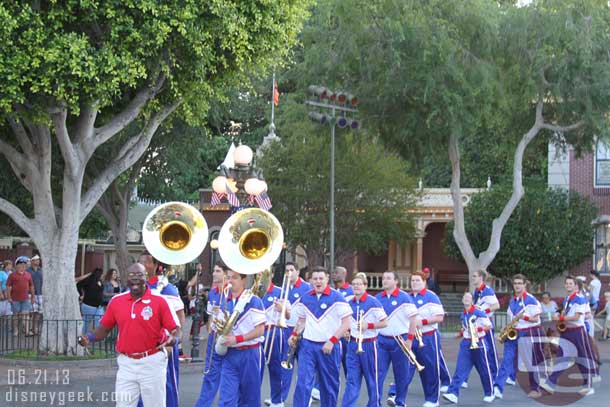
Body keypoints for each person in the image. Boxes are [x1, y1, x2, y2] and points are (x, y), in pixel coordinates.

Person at [78, 263, 179, 407]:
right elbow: (104, 329)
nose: (136, 279)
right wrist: (89, 337)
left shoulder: (160, 301)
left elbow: (176, 329)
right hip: (126, 363)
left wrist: (173, 339)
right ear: (126, 278)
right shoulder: (116, 301)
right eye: (132, 275)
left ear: (146, 277)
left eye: (140, 275)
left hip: (152, 362)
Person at [290, 266, 351, 407]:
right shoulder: (305, 298)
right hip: (308, 346)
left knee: (329, 385)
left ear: (327, 279)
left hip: (329, 346)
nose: (318, 281)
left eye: (321, 278)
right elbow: (301, 320)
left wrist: (332, 341)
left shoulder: (337, 297)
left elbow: (346, 323)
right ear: (311, 280)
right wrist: (294, 334)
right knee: (303, 383)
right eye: (315, 279)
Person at [138, 252, 185, 407]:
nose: (142, 265)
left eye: (146, 262)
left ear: (156, 267)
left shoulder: (167, 289)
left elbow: (180, 317)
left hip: (163, 346)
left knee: (166, 386)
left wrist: (174, 340)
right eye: (139, 262)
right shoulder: (134, 288)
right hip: (140, 345)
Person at [263, 262, 312, 407]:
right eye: (287, 270)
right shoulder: (282, 288)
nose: (289, 273)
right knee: (285, 365)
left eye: (292, 270)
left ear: (297, 272)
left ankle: (306, 397)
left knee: (304, 368)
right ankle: (280, 399)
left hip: (304, 331)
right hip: (287, 331)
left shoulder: (307, 288)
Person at [216, 267, 266, 407]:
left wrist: (237, 339)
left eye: (235, 277)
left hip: (250, 353)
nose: (230, 281)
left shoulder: (254, 301)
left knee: (250, 399)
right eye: (229, 277)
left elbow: (260, 330)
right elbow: (218, 329)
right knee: (226, 399)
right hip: (230, 355)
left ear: (244, 280)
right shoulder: (224, 301)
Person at [540, 275, 597, 396]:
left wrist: (560, 317)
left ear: (576, 285)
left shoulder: (580, 298)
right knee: (562, 357)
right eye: (567, 283)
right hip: (567, 331)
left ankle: (589, 385)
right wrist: (559, 315)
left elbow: (576, 317)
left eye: (571, 283)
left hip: (577, 331)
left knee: (582, 357)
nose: (568, 285)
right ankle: (551, 383)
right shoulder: (567, 299)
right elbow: (567, 314)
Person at [494, 274, 545, 399]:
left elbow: (536, 319)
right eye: (515, 283)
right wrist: (505, 328)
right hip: (514, 332)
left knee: (529, 361)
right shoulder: (512, 301)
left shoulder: (531, 300)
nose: (517, 285)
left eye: (519, 283)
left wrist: (524, 317)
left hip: (527, 332)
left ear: (524, 284)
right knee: (506, 360)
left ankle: (536, 388)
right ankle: (497, 388)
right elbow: (512, 319)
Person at [342, 272, 388, 407]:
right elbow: (344, 321)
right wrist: (346, 330)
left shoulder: (373, 301)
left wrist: (368, 325)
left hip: (369, 345)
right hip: (352, 344)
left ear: (365, 286)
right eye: (354, 284)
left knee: (372, 380)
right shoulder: (347, 302)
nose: (356, 287)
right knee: (351, 380)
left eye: (359, 284)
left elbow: (384, 322)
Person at [442, 292, 495, 404]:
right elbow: (465, 328)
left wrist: (478, 330)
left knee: (484, 370)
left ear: (472, 301)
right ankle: (453, 393)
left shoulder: (478, 312)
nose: (466, 299)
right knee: (460, 369)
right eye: (464, 297)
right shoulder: (463, 314)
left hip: (479, 343)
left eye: (469, 297)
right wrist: (460, 334)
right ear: (462, 300)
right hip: (466, 343)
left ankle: (489, 393)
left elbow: (489, 325)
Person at [375, 271, 418, 407]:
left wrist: (410, 339)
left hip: (400, 340)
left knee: (401, 373)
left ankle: (400, 402)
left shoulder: (404, 298)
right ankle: (375, 402)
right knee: (378, 374)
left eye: (388, 278)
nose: (385, 280)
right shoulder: (377, 298)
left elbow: (413, 320)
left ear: (396, 281)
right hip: (381, 340)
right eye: (383, 278)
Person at [410, 271, 446, 407]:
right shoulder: (407, 297)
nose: (414, 283)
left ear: (424, 282)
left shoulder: (431, 296)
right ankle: (397, 395)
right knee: (404, 367)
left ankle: (432, 399)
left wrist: (423, 322)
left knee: (430, 368)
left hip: (428, 336)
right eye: (412, 281)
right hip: (411, 337)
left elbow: (439, 317)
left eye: (417, 280)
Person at [195, 262, 228, 407]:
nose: (214, 273)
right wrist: (209, 334)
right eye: (214, 270)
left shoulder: (232, 291)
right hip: (214, 337)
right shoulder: (213, 293)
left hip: (228, 338)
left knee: (230, 376)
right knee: (209, 374)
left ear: (226, 274)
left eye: (218, 271)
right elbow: (209, 317)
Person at [459, 270, 500, 389]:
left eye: (475, 276)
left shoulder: (487, 290)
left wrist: (481, 312)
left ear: (481, 277)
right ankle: (463, 379)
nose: (473, 278)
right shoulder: (476, 291)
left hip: (485, 324)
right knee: (471, 350)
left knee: (490, 351)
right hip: (475, 325)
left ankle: (495, 378)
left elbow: (496, 305)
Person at [260, 268, 293, 407]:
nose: (262, 276)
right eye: (259, 273)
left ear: (272, 274)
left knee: (275, 368)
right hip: (258, 332)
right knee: (256, 369)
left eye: (265, 273)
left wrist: (283, 309)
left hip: (274, 330)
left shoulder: (280, 291)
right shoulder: (253, 291)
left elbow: (288, 315)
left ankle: (277, 400)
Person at [6, 256, 35, 336]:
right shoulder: (12, 275)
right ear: (17, 265)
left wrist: (33, 297)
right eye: (21, 264)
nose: (23, 265)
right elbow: (8, 286)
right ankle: (15, 330)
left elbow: (31, 286)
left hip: (25, 299)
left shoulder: (28, 275)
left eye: (24, 264)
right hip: (15, 299)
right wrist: (9, 297)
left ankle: (27, 331)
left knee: (26, 315)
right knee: (16, 315)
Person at [77, 267, 105, 335]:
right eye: (102, 274)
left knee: (98, 322)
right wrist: (81, 294)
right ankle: (81, 336)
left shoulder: (100, 281)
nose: (102, 275)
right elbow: (78, 285)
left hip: (99, 306)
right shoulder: (88, 280)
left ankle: (96, 336)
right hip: (89, 305)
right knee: (86, 322)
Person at [27, 254, 43, 335]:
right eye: (36, 260)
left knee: (39, 312)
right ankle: (29, 329)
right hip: (30, 294)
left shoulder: (41, 270)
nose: (38, 261)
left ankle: (35, 328)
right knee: (31, 312)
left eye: (39, 260)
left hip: (40, 294)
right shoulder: (28, 270)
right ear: (32, 261)